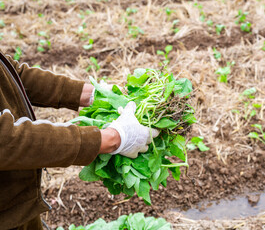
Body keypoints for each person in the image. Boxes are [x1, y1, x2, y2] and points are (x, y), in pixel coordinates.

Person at [0, 50, 159, 230]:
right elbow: (5, 139)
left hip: (16, 204)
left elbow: (9, 74)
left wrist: (90, 94)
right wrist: (110, 138)